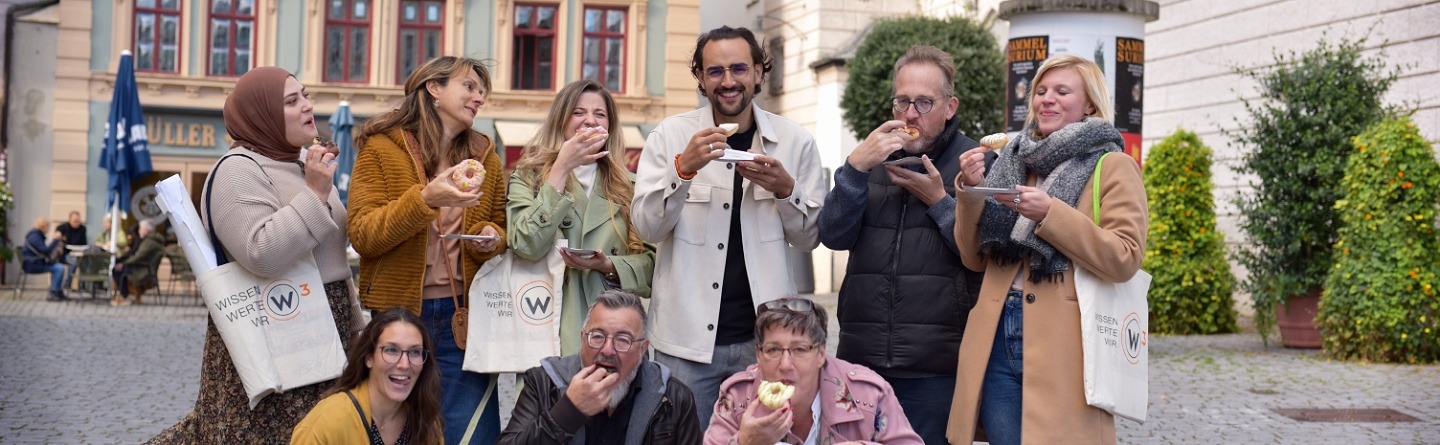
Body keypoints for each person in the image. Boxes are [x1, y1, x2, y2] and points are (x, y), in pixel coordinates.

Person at [146, 66, 356, 444]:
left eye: (305, 95)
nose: (308, 105)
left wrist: (354, 324)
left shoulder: (305, 166)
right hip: (276, 330)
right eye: (292, 101)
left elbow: (333, 260)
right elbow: (261, 253)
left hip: (326, 332)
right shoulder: (237, 170)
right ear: (264, 115)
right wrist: (315, 194)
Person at [946, 54, 1147, 445]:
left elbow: (1125, 257)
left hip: (1068, 345)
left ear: (1089, 103)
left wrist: (1050, 214)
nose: (1046, 100)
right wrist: (970, 192)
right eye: (1040, 91)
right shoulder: (1012, 161)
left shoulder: (1114, 165)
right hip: (997, 338)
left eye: (1061, 91)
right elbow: (973, 258)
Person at [631, 25, 826, 424]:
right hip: (686, 344)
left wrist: (787, 190)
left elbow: (809, 238)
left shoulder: (795, 141)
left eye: (739, 68)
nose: (728, 81)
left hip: (769, 343)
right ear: (700, 78)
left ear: (758, 72)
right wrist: (682, 170)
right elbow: (647, 229)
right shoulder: (670, 136)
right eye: (715, 71)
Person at [815, 44, 986, 444]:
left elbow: (981, 255)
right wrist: (854, 170)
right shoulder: (871, 157)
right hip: (861, 359)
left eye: (924, 102)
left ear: (950, 106)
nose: (910, 114)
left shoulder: (973, 162)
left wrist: (940, 202)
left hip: (936, 365)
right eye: (902, 101)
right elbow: (833, 235)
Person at [348, 56, 507, 445]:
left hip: (462, 318)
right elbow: (363, 234)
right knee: (395, 428)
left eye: (481, 91)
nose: (478, 98)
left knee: (471, 433)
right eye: (469, 86)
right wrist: (424, 199)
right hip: (400, 313)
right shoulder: (382, 147)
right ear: (433, 89)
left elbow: (501, 224)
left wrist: (492, 237)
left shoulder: (486, 155)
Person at [508, 79, 655, 356]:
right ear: (561, 120)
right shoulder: (527, 179)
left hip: (614, 333)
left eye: (599, 114)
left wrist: (610, 265)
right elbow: (524, 245)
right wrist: (561, 168)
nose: (589, 121)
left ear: (609, 126)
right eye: (578, 112)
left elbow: (655, 265)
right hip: (545, 326)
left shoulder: (631, 186)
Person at [705, 297, 923, 444]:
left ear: (820, 354)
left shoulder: (868, 394)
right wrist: (745, 441)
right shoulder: (737, 396)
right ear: (758, 355)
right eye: (773, 350)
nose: (785, 364)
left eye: (800, 349)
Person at [498, 290, 703, 444]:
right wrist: (568, 411)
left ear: (643, 349)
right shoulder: (543, 382)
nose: (607, 350)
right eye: (597, 336)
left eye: (623, 340)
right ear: (582, 339)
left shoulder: (674, 398)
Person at [291, 308, 444, 445]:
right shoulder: (326, 424)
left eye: (415, 352)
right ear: (369, 357)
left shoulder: (424, 419)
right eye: (391, 350)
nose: (404, 364)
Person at [109, 219, 166, 306]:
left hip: (143, 270)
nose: (139, 231)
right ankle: (124, 294)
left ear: (146, 230)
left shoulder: (149, 242)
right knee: (119, 267)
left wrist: (124, 263)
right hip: (144, 267)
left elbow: (139, 256)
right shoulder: (151, 240)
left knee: (117, 270)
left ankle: (124, 295)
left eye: (140, 229)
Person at [21, 217, 68, 301]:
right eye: (48, 227)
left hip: (34, 262)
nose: (49, 229)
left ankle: (58, 291)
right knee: (59, 268)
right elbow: (45, 250)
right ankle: (53, 292)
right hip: (33, 264)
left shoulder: (35, 235)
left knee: (59, 266)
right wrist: (55, 240)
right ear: (43, 226)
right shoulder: (35, 237)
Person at [56, 211, 86, 290]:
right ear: (70, 220)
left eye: (78, 221)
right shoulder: (65, 227)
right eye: (74, 221)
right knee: (74, 260)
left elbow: (84, 243)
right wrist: (58, 233)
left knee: (86, 261)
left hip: (79, 253)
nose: (76, 223)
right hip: (66, 254)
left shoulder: (82, 229)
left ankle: (83, 285)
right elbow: (58, 229)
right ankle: (68, 284)